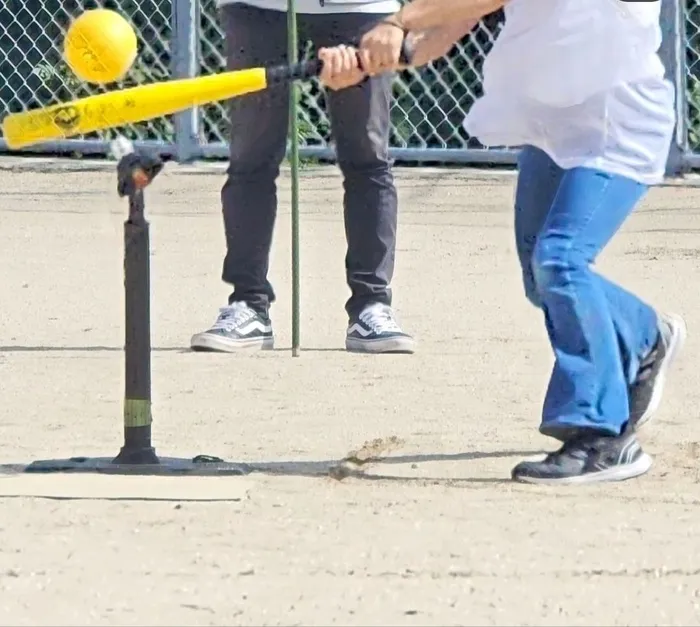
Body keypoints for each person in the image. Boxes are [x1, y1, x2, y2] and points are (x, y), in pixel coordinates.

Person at [318, 0, 687, 485]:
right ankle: (644, 334)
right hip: (550, 124)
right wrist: (371, 60)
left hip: (617, 124)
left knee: (560, 261)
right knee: (543, 279)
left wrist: (396, 21)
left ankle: (604, 436)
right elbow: (450, 26)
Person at [190, 0, 417, 355]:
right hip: (259, 6)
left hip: (358, 6)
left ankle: (372, 305)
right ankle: (249, 304)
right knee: (252, 154)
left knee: (367, 156)